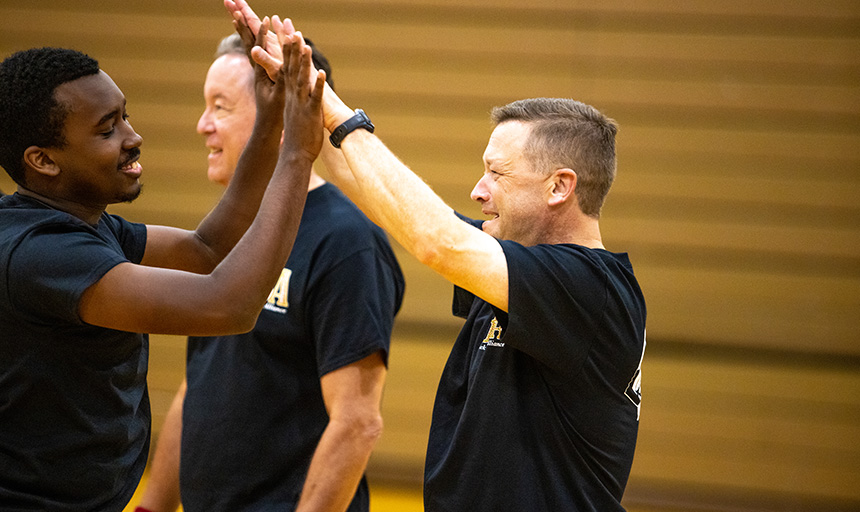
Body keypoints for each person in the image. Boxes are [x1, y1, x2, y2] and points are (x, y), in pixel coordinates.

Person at [227, 1, 647, 510]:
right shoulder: (515, 265)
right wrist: (304, 100)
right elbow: (381, 200)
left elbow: (436, 239)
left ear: (560, 187)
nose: (478, 190)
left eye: (498, 174)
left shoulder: (592, 289)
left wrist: (340, 115)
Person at [0, 25, 327, 511]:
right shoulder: (41, 252)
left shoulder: (86, 227)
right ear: (43, 160)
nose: (133, 138)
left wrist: (271, 117)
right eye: (107, 129)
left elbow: (208, 250)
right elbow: (229, 306)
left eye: (125, 117)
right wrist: (296, 152)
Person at [135, 30, 404, 512]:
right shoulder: (222, 236)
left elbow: (357, 423)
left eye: (220, 106)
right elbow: (196, 386)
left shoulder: (346, 242)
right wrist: (150, 507)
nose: (202, 125)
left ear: (281, 116)